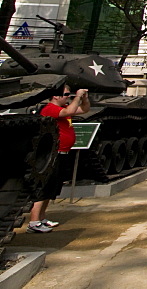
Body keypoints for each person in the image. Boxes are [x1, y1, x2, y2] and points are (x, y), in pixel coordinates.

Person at [27, 86, 90, 233]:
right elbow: (69, 111)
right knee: (43, 187)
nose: (68, 97)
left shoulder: (65, 107)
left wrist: (84, 98)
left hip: (62, 153)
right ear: (55, 96)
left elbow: (84, 110)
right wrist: (77, 97)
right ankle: (34, 222)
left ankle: (42, 218)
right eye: (66, 94)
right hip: (52, 154)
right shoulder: (50, 109)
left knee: (51, 188)